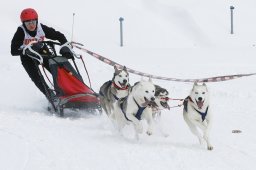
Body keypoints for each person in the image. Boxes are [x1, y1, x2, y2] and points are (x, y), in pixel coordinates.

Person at [11, 8, 73, 101]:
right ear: (24, 23)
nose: (31, 25)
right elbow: (13, 50)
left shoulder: (41, 28)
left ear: (37, 21)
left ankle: (69, 90)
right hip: (27, 57)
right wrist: (26, 50)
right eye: (28, 23)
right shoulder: (20, 31)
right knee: (37, 78)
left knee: (57, 71)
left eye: (33, 22)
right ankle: (51, 97)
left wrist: (65, 48)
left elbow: (60, 36)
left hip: (42, 52)